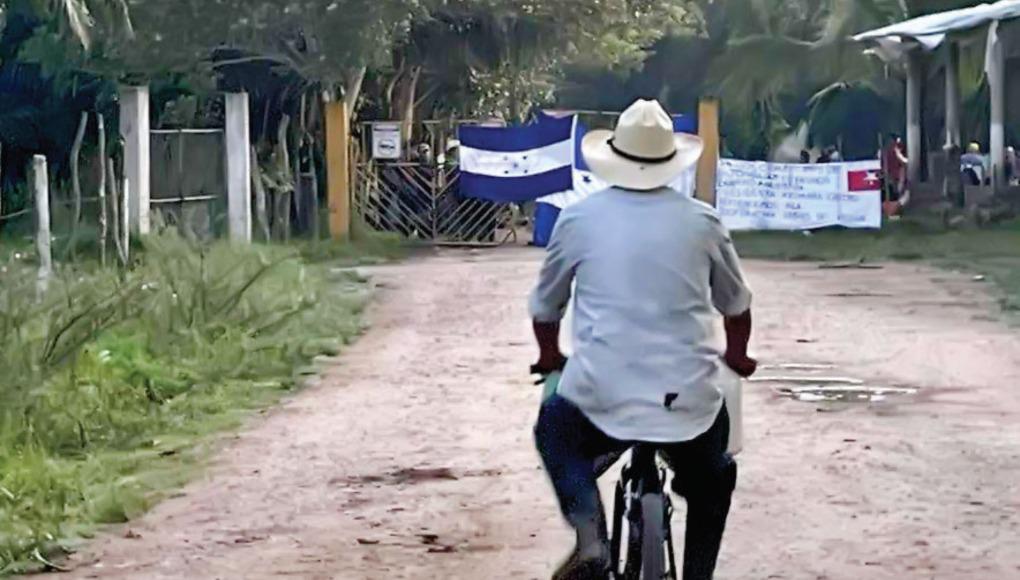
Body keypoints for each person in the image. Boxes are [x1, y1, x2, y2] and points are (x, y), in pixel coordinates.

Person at [529, 99, 757, 580]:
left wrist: (550, 358)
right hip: (687, 403)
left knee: (553, 428)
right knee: (713, 478)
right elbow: (736, 308)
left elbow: (545, 309)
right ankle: (698, 574)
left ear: (612, 156)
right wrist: (738, 356)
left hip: (600, 398)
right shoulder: (703, 222)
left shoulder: (578, 220)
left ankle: (590, 535)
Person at [882, 134, 909, 201]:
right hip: (888, 179)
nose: (890, 144)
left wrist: (901, 182)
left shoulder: (897, 152)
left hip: (896, 178)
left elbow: (903, 164)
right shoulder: (883, 153)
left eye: (892, 142)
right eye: (889, 143)